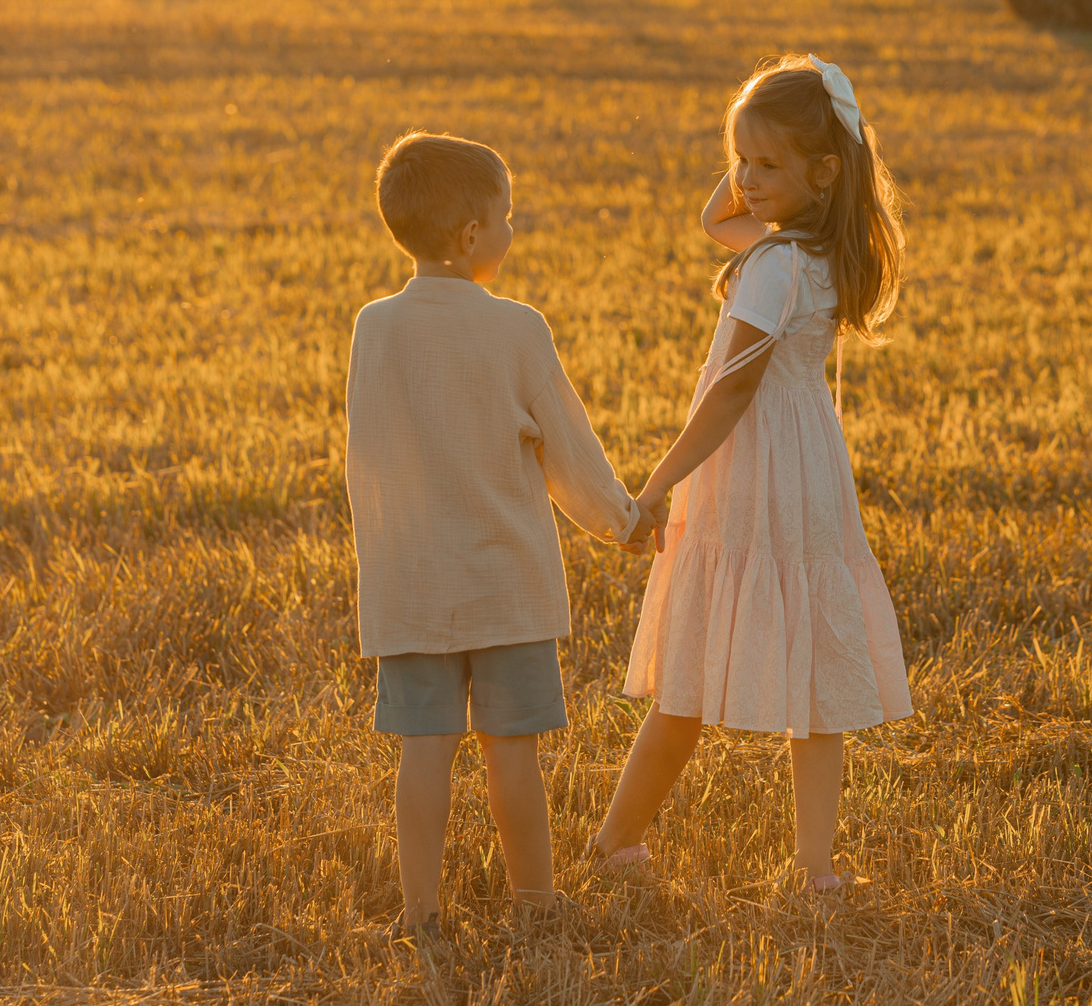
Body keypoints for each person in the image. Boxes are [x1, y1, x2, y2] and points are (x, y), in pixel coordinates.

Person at [590, 54, 913, 898]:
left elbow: (731, 390)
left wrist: (657, 481)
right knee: (816, 679)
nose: (744, 180)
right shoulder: (815, 252)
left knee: (686, 672)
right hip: (805, 468)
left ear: (825, 170)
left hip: (747, 469)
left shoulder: (775, 264)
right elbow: (716, 219)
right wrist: (777, 155)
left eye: (766, 164)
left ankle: (617, 836)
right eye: (740, 159)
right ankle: (814, 866)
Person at [345, 130, 655, 945]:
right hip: (506, 582)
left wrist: (381, 566)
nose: (512, 232)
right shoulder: (518, 329)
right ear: (472, 235)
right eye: (506, 218)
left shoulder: (373, 329)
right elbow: (569, 451)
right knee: (511, 749)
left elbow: (367, 460)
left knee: (424, 748)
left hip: (411, 581)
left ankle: (420, 914)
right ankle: (537, 902)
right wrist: (621, 521)